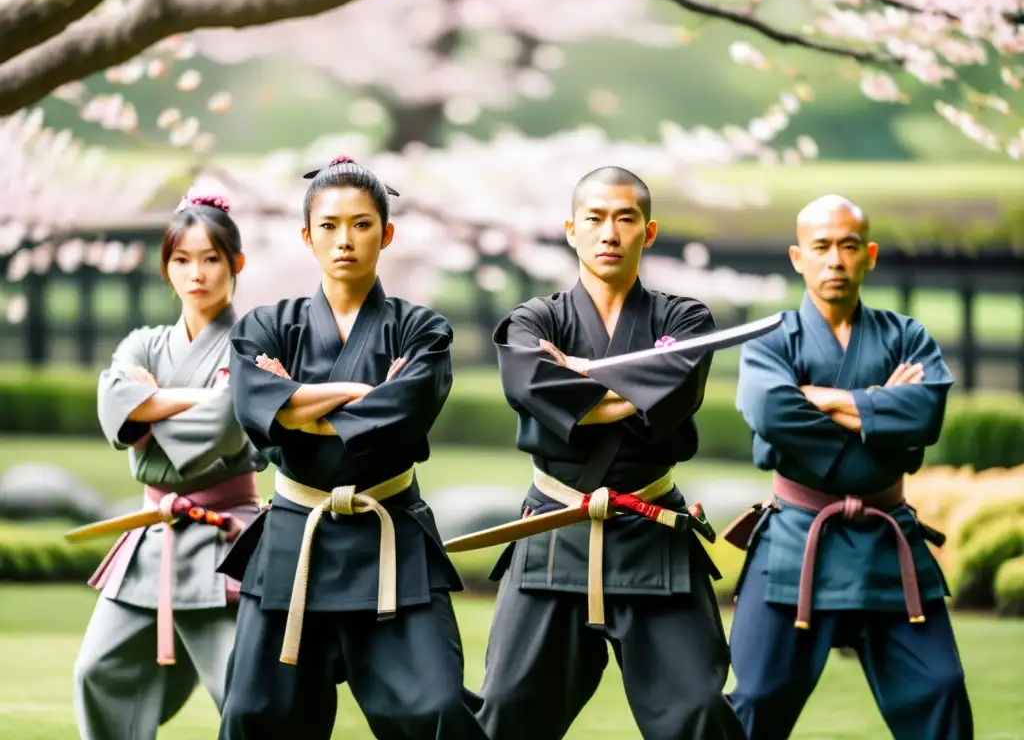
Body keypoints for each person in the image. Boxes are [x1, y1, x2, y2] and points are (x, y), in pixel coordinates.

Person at [215, 155, 488, 740]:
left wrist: (297, 401)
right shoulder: (264, 327)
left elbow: (400, 418)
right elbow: (253, 409)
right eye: (331, 225)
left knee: (435, 710)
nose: (345, 240)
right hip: (295, 539)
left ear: (386, 234)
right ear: (307, 235)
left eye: (362, 224)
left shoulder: (424, 330)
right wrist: (364, 393)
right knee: (253, 717)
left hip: (389, 537)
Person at [473, 166, 747, 740]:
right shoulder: (532, 320)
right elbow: (529, 387)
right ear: (571, 230)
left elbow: (673, 393)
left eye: (625, 218)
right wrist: (635, 385)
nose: (609, 233)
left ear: (648, 232)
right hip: (554, 529)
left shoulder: (685, 319)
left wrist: (575, 374)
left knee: (698, 710)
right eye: (594, 219)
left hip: (653, 530)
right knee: (506, 708)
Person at [724, 194, 974, 739]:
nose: (835, 259)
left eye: (849, 246)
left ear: (870, 255)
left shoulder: (906, 336)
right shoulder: (770, 339)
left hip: (889, 545)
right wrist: (879, 411)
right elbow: (770, 409)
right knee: (755, 697)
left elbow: (925, 414)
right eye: (821, 246)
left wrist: (824, 399)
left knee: (940, 688)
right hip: (794, 537)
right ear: (798, 257)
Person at [74, 193, 266, 740]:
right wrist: (194, 398)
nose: (196, 273)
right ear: (167, 268)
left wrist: (153, 404)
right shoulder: (143, 342)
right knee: (98, 669)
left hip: (224, 539)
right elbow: (113, 403)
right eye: (181, 260)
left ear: (236, 264)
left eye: (210, 259)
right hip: (150, 541)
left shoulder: (253, 346)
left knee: (242, 691)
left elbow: (225, 426)